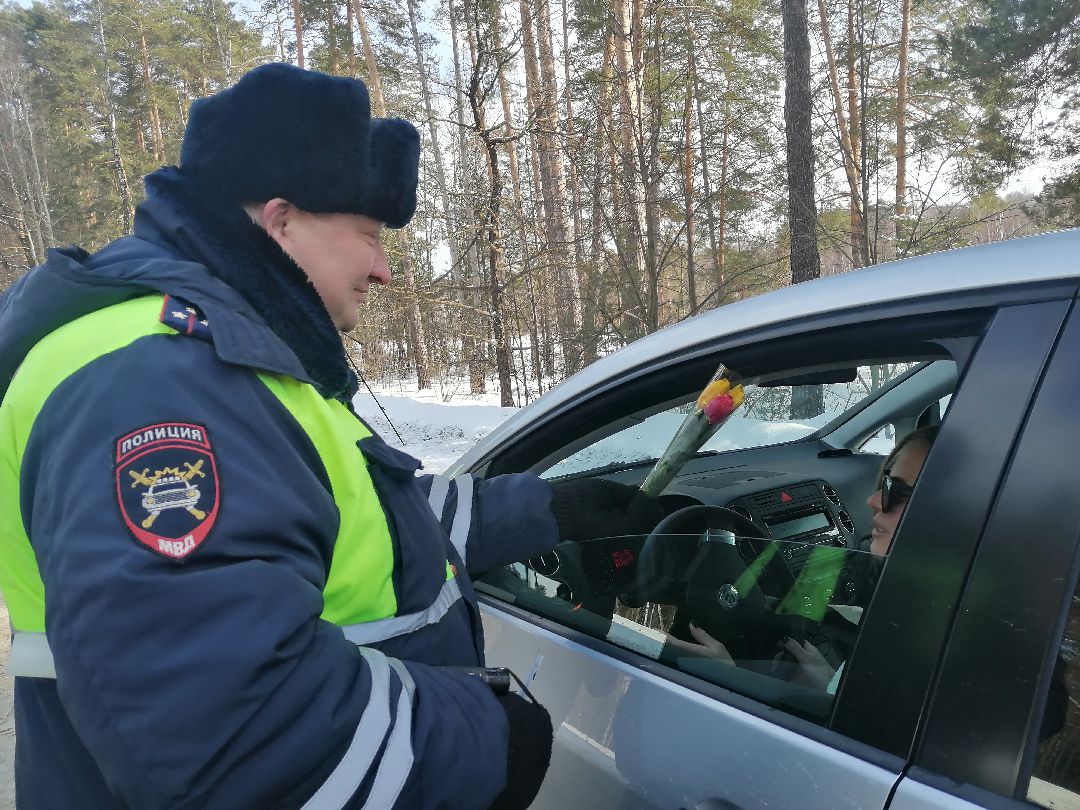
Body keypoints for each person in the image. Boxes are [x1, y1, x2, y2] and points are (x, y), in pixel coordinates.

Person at [0, 63, 656, 809]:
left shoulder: (232, 352)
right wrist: (489, 735)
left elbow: (356, 517)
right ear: (280, 221)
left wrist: (550, 513)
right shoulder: (159, 379)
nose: (381, 270)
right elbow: (234, 735)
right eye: (370, 237)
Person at [666, 425, 940, 692]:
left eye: (898, 491)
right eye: (885, 482)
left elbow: (858, 729)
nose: (873, 500)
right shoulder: (923, 608)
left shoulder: (919, 641)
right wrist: (830, 683)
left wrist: (728, 679)